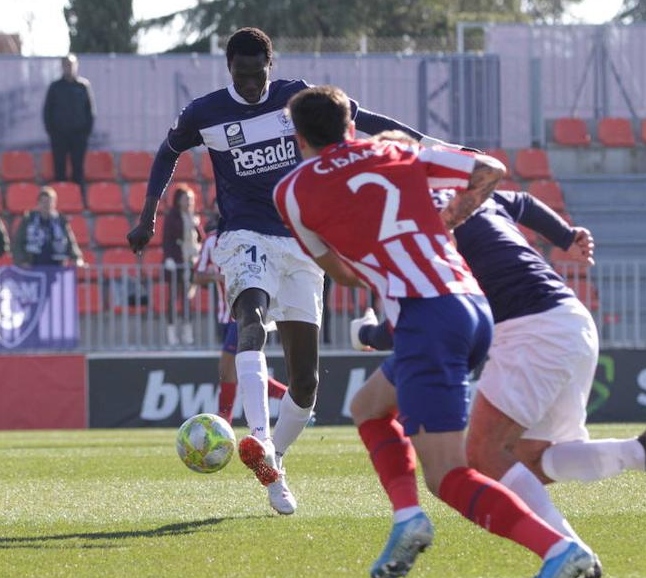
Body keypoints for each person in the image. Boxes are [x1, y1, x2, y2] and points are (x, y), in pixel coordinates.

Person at [274, 86, 593, 578]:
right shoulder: (392, 148)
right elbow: (489, 170)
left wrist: (375, 266)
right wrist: (447, 220)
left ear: (299, 137)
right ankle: (407, 518)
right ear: (350, 127)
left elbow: (334, 268)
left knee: (448, 475)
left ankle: (559, 549)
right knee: (369, 407)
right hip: (471, 304)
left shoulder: (290, 189)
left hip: (425, 317)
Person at [126, 27, 451, 515]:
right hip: (242, 235)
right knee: (250, 319)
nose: (253, 84)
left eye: (259, 75)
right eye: (242, 75)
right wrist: (149, 213)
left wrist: (422, 142)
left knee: (305, 382)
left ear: (270, 67)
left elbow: (358, 118)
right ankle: (257, 438)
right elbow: (168, 151)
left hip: (301, 237)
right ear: (229, 69)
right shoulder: (206, 113)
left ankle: (273, 457)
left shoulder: (292, 98)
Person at [351, 132, 646, 578]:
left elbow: (425, 315)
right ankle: (640, 453)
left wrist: (370, 332)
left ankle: (569, 552)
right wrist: (566, 236)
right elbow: (524, 204)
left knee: (483, 453)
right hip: (570, 320)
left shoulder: (414, 218)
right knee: (533, 457)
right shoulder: (468, 193)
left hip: (530, 331)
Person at [192, 212, 289, 423]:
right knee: (240, 370)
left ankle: (223, 421)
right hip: (224, 316)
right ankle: (292, 399)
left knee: (227, 369)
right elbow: (197, 276)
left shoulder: (251, 237)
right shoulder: (212, 241)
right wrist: (218, 276)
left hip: (243, 314)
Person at [43, 53, 95, 202]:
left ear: (76, 66)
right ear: (62, 67)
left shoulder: (83, 86)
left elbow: (90, 111)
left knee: (78, 170)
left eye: (71, 65)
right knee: (59, 169)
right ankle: (60, 200)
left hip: (79, 136)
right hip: (59, 136)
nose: (69, 68)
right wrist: (52, 131)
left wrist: (86, 132)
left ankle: (79, 200)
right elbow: (47, 111)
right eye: (66, 65)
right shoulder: (55, 87)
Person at [161, 184, 202, 345]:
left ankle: (187, 333)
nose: (189, 202)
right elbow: (167, 239)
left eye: (191, 199)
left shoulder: (193, 217)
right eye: (186, 199)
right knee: (173, 297)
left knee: (187, 299)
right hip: (176, 262)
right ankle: (171, 333)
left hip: (190, 263)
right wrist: (169, 258)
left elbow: (200, 237)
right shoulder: (172, 217)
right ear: (178, 201)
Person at [13, 186, 85, 268]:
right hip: (33, 264)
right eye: (43, 202)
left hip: (56, 265)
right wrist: (22, 261)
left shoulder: (60, 221)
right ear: (38, 203)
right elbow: (17, 242)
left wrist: (77, 258)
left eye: (49, 202)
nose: (46, 205)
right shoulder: (28, 219)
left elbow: (70, 242)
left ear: (54, 203)